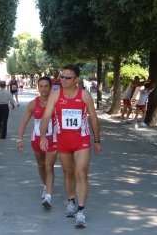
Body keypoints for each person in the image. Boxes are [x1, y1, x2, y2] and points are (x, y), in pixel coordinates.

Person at [39, 64, 101, 228]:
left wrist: (97, 140)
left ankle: (81, 210)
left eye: (67, 77)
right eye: (62, 76)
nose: (63, 79)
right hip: (63, 141)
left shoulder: (85, 95)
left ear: (76, 79)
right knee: (68, 172)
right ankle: (71, 201)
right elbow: (46, 117)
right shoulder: (55, 95)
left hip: (82, 140)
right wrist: (43, 136)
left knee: (81, 173)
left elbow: (93, 119)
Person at [17, 76, 58, 208]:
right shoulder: (33, 104)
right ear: (38, 87)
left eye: (46, 86)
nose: (43, 89)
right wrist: (19, 139)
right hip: (37, 140)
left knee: (48, 166)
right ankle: (46, 186)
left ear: (50, 87)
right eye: (41, 86)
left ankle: (48, 197)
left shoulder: (56, 103)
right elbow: (24, 122)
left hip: (52, 140)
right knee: (41, 165)